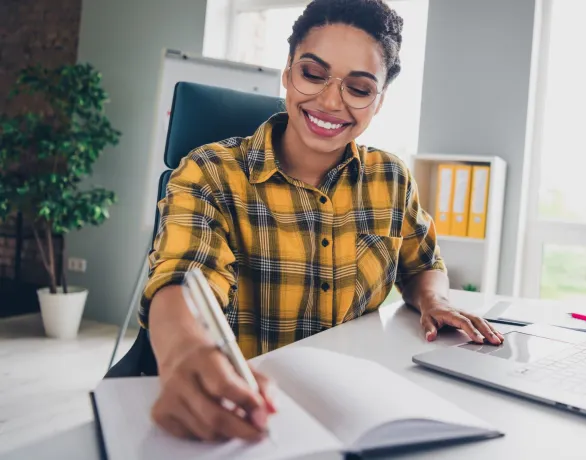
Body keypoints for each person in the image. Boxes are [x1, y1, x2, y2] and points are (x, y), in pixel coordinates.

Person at [141, 0, 504, 443]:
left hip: (360, 403)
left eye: (359, 88)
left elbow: (421, 263)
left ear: (379, 100)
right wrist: (184, 353)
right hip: (250, 410)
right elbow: (184, 277)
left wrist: (435, 301)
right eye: (313, 74)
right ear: (287, 72)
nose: (331, 101)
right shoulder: (209, 173)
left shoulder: (390, 179)